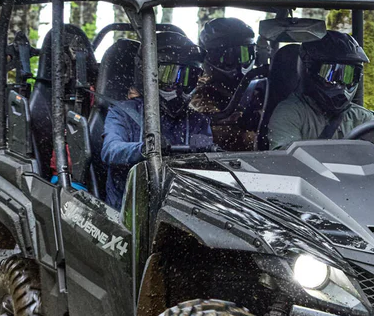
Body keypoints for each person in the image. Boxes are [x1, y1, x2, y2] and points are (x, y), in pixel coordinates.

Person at [101, 32, 214, 209]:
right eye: (169, 75)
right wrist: (145, 149)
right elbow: (111, 150)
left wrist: (210, 155)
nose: (176, 85)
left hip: (182, 208)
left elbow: (209, 164)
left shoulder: (197, 120)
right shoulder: (122, 112)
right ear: (146, 74)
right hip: (128, 212)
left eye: (187, 77)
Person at [267, 31, 374, 150]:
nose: (340, 84)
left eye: (348, 76)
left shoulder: (363, 118)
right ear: (310, 70)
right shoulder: (289, 113)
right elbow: (286, 160)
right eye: (330, 75)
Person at [189, 17, 257, 151]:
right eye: (229, 57)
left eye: (244, 55)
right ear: (211, 58)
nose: (239, 64)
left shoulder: (258, 87)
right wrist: (251, 129)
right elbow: (219, 136)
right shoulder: (201, 94)